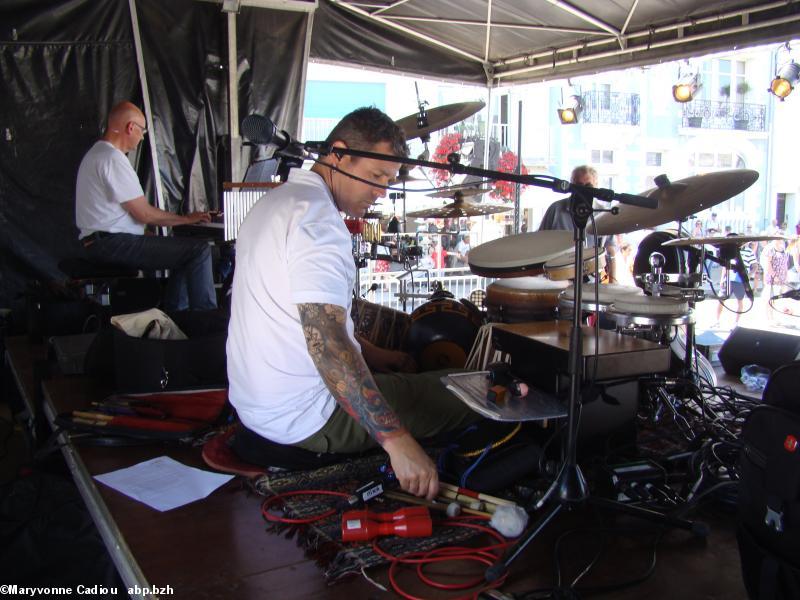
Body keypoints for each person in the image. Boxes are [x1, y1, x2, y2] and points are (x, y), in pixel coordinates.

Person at [226, 107, 481, 500]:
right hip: (306, 418)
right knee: (467, 395)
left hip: (256, 407)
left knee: (408, 382)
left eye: (389, 181)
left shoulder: (275, 203)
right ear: (339, 154)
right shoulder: (319, 223)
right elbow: (327, 344)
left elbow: (294, 321)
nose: (382, 191)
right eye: (377, 177)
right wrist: (398, 443)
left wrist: (376, 355)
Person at [75, 101, 216, 311]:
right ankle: (206, 323)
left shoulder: (96, 154)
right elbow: (144, 214)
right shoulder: (112, 158)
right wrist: (188, 219)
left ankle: (176, 318)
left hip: (99, 242)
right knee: (199, 250)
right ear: (130, 127)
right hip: (112, 244)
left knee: (182, 252)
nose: (142, 137)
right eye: (142, 131)